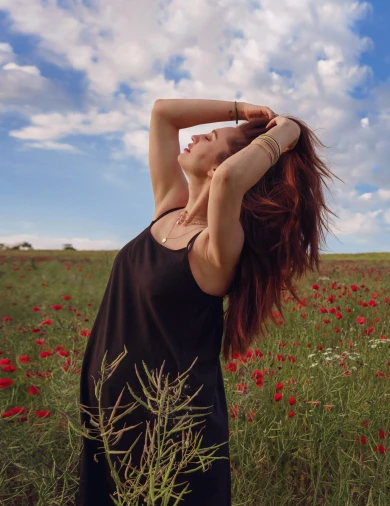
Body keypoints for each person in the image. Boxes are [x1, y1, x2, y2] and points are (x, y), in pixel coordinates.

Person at [76, 99, 340, 505]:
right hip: (110, 411)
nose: (198, 134)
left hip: (170, 422)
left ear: (218, 169)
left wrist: (289, 131)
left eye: (212, 137)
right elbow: (163, 113)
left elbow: (231, 180)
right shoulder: (167, 208)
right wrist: (241, 108)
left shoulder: (216, 249)